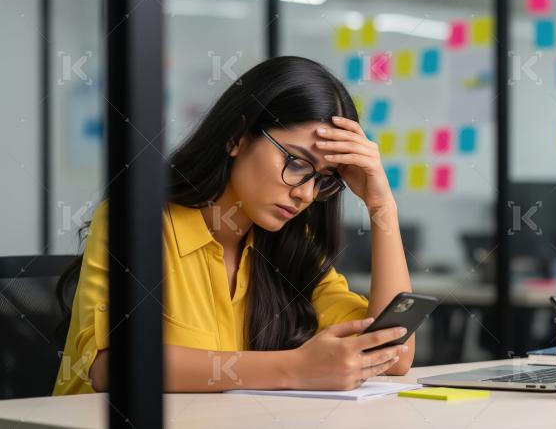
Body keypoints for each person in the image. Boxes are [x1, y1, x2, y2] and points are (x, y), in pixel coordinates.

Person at [53, 56, 413, 395]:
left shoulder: (289, 246)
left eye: (323, 178)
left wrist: (382, 206)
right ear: (238, 136)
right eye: (297, 162)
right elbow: (110, 368)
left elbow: (393, 353)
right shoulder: (140, 222)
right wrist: (294, 368)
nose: (306, 193)